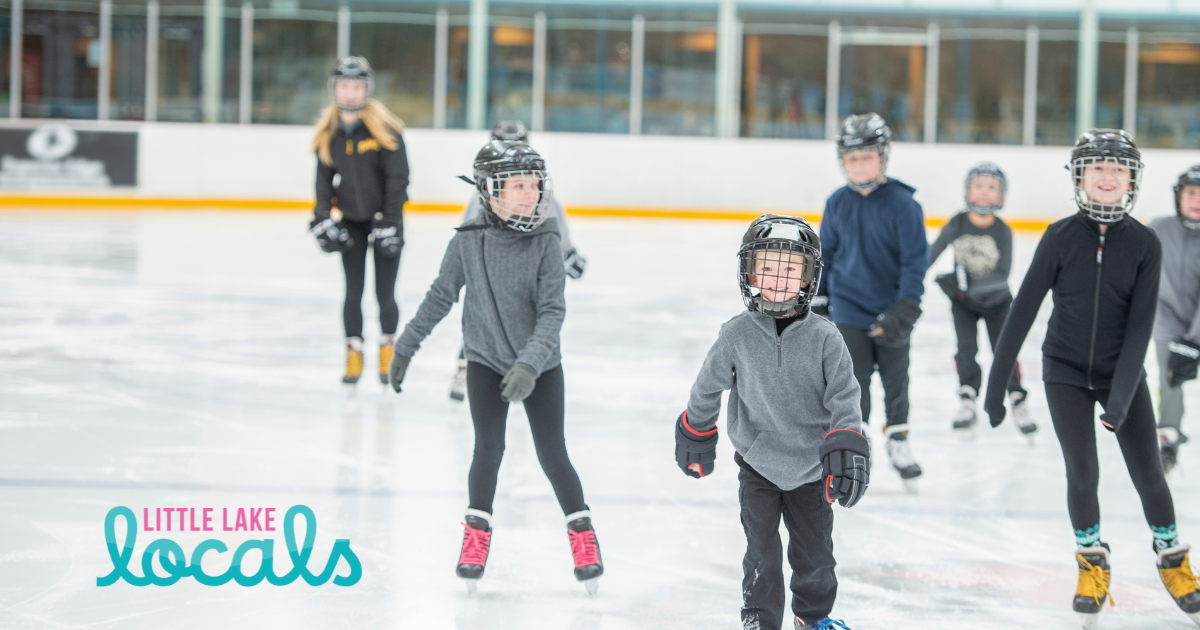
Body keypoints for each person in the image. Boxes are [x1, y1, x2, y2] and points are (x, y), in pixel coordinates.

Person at [984, 129, 1200, 629]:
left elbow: (1141, 327)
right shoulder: (1059, 237)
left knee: (1149, 473)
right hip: (1063, 371)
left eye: (1117, 169)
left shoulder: (1145, 244)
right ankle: (1091, 563)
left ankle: (1172, 561)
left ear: (1132, 180)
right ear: (1081, 176)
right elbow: (1021, 313)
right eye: (1097, 167)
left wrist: (1121, 399)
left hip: (1120, 373)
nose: (1107, 177)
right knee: (1082, 472)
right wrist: (997, 387)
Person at [387, 139, 603, 594]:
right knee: (488, 449)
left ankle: (583, 536)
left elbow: (552, 313)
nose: (529, 194)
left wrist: (529, 365)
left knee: (553, 455)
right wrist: (405, 346)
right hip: (483, 360)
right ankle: (475, 539)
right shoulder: (468, 240)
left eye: (534, 185)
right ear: (489, 190)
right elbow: (440, 295)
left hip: (541, 366)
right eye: (517, 185)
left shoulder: (547, 241)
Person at [677, 214, 866, 630]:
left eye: (790, 269)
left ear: (808, 277)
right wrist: (696, 429)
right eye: (766, 267)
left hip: (811, 469)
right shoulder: (736, 334)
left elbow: (845, 394)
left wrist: (846, 439)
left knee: (815, 555)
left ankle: (811, 619)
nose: (778, 279)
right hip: (757, 465)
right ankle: (760, 620)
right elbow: (707, 386)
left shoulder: (825, 337)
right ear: (749, 272)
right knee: (760, 552)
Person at [815, 113, 928, 487]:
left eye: (867, 157)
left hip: (892, 308)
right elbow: (826, 255)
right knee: (852, 383)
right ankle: (857, 445)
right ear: (842, 161)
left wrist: (907, 305)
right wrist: (820, 300)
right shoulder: (836, 203)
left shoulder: (903, 204)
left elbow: (915, 259)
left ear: (883, 157)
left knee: (897, 381)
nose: (859, 165)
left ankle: (899, 440)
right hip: (848, 309)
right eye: (852, 158)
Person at [448, 120, 587, 402]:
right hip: (493, 270)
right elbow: (468, 236)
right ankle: (466, 366)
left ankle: (528, 369)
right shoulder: (484, 195)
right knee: (483, 320)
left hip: (529, 272)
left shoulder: (537, 192)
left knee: (531, 319)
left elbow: (554, 227)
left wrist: (568, 254)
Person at [309, 57, 409, 386]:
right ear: (334, 89)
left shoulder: (385, 129)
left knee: (385, 294)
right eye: (344, 86)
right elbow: (323, 183)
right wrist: (322, 217)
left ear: (366, 89)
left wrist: (390, 220)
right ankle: (353, 352)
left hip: (386, 221)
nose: (351, 93)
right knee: (353, 292)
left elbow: (398, 178)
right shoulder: (329, 134)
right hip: (351, 221)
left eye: (357, 86)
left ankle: (388, 350)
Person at [928, 163, 1036, 439]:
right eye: (979, 186)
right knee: (966, 349)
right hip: (963, 303)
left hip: (998, 303)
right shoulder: (957, 223)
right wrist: (911, 278)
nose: (985, 193)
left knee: (1004, 350)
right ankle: (967, 397)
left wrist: (966, 282)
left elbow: (1003, 275)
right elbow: (931, 255)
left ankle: (1016, 397)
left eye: (992, 188)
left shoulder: (1003, 231)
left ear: (1001, 196)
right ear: (968, 191)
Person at [1149, 165, 1200, 475]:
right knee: (1170, 381)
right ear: (1178, 196)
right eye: (1191, 193)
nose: (1196, 200)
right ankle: (1168, 437)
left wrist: (1193, 341)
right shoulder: (1157, 228)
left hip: (1197, 326)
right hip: (1166, 323)